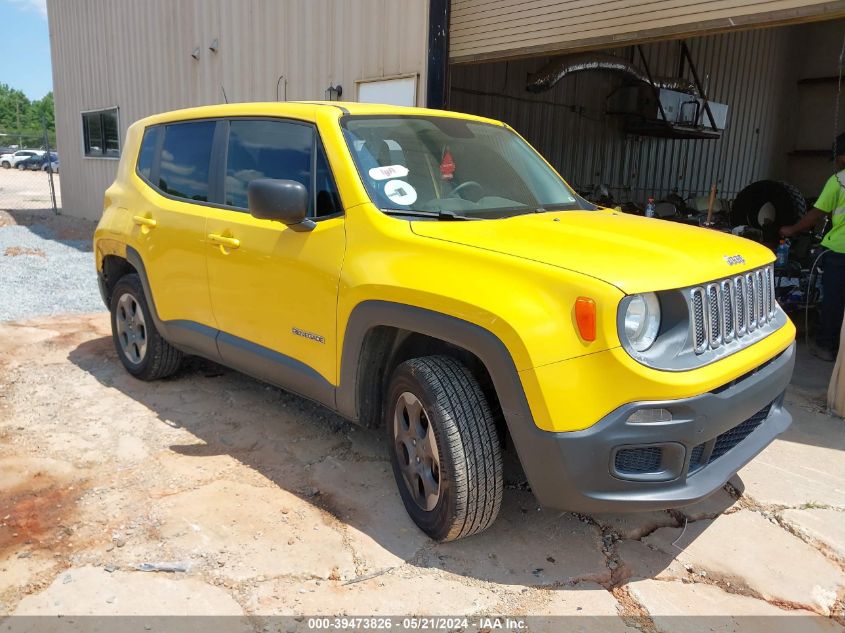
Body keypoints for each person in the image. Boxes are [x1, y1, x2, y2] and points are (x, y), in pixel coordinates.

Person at [780, 132, 845, 362]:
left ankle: (826, 346)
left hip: (839, 251)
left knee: (833, 301)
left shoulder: (839, 181)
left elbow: (816, 214)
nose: (836, 162)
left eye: (837, 158)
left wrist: (792, 230)